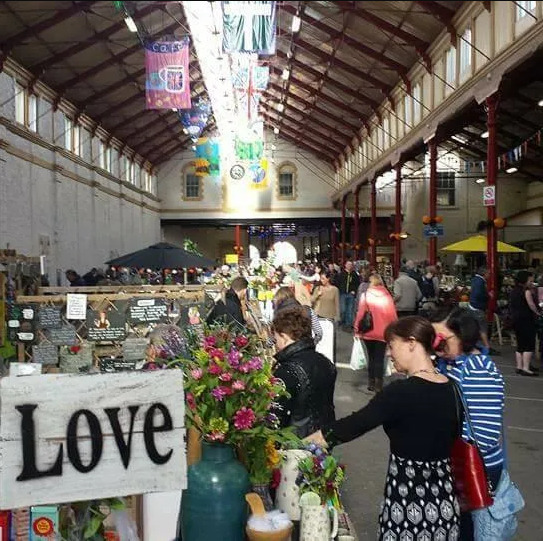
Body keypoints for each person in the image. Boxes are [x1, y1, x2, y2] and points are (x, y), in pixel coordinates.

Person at [306, 317, 460, 541]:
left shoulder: (401, 392)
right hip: (445, 507)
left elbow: (357, 423)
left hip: (408, 509)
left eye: (391, 345)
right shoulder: (453, 388)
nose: (388, 353)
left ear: (411, 343)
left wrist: (314, 439)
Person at [429, 307, 505, 540]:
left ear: (461, 335)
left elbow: (486, 432)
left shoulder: (477, 368)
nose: (436, 347)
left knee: (468, 530)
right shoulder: (452, 365)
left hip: (474, 465)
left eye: (441, 340)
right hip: (458, 462)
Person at [272, 306, 337, 437]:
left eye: (276, 339)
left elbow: (277, 417)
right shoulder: (325, 362)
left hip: (296, 442)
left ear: (284, 337)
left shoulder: (287, 371)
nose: (275, 344)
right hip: (324, 436)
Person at [354, 274, 397, 392]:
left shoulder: (366, 295)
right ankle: (379, 383)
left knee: (371, 357)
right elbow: (392, 315)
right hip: (383, 332)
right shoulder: (387, 296)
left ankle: (371, 382)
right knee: (379, 358)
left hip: (368, 332)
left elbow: (360, 313)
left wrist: (356, 329)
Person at [509, 271, 541, 376]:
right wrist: (538, 312)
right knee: (528, 344)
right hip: (526, 319)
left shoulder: (514, 291)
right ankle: (526, 368)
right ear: (525, 280)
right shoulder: (526, 291)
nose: (532, 283)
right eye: (530, 281)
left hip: (516, 319)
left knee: (520, 344)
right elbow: (531, 304)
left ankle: (519, 366)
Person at [468, 266, 491, 349]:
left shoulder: (475, 279)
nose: (489, 275)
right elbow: (478, 294)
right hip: (478, 307)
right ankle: (486, 346)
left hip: (472, 306)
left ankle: (475, 344)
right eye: (488, 273)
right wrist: (488, 295)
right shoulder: (480, 282)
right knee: (483, 327)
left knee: (475, 326)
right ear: (484, 273)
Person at [336, 261, 360, 331]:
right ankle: (342, 320)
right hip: (342, 293)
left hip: (351, 294)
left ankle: (348, 324)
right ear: (345, 265)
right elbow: (337, 283)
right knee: (343, 309)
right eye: (348, 264)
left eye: (351, 265)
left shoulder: (354, 274)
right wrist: (339, 290)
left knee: (349, 310)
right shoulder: (341, 274)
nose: (349, 266)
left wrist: (354, 291)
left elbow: (357, 284)